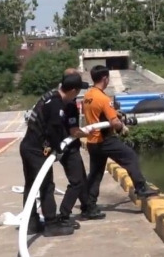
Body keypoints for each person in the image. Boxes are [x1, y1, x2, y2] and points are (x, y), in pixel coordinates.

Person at [82, 65, 159, 214]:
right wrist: (122, 127)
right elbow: (114, 122)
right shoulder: (104, 98)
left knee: (95, 174)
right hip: (105, 139)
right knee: (130, 157)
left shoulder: (88, 95)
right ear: (105, 78)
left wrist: (114, 114)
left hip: (92, 141)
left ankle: (88, 206)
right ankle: (141, 188)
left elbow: (99, 114)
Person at [20, 73, 85, 237]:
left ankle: (31, 222)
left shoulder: (50, 96)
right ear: (72, 91)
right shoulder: (56, 105)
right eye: (77, 92)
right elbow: (53, 130)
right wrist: (58, 149)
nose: (76, 96)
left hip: (28, 146)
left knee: (31, 185)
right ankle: (51, 224)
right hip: (36, 150)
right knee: (46, 186)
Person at [57, 68, 106, 226]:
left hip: (65, 146)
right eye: (77, 88)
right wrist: (91, 133)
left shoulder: (58, 100)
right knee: (77, 181)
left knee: (82, 178)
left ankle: (87, 207)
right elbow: (74, 131)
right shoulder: (70, 105)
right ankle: (64, 215)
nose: (79, 92)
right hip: (68, 148)